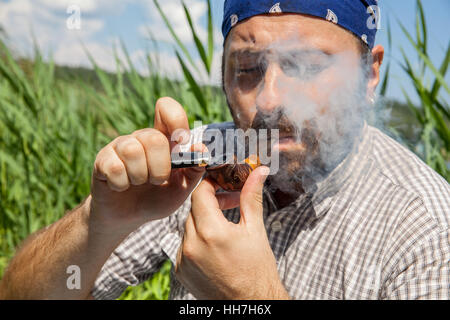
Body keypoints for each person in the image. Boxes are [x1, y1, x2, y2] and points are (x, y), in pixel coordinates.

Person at [1, 0, 449, 300]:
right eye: (248, 67)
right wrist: (96, 224)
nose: (270, 101)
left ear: (369, 76)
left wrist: (252, 297)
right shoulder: (204, 159)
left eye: (307, 66)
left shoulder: (425, 230)